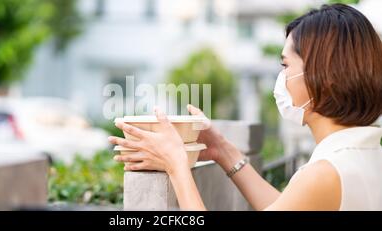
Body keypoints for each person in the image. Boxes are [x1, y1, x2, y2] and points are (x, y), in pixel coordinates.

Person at [108, 4, 382, 211]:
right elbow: (287, 206)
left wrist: (177, 167)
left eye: (286, 66)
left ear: (325, 76)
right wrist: (223, 150)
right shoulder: (365, 154)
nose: (281, 78)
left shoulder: (324, 173)